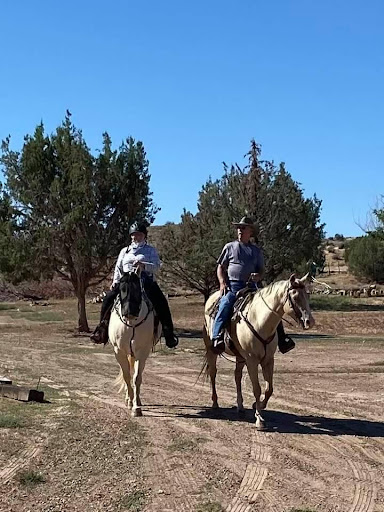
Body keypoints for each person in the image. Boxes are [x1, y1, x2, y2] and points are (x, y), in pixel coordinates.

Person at [211, 216, 296, 354]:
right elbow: (220, 267)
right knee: (225, 303)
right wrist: (222, 283)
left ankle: (282, 339)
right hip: (233, 286)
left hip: (252, 288)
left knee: (272, 307)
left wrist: (258, 276)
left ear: (250, 231)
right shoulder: (229, 247)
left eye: (243, 227)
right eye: (238, 227)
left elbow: (261, 270)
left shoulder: (256, 251)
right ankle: (217, 337)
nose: (240, 230)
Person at [91, 222, 178, 348]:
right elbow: (118, 268)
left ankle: (168, 333)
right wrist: (115, 281)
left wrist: (144, 266)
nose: (135, 237)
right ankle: (102, 330)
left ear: (144, 236)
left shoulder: (150, 250)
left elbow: (157, 266)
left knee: (161, 302)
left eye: (138, 234)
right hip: (126, 282)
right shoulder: (124, 251)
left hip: (146, 281)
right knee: (108, 299)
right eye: (133, 235)